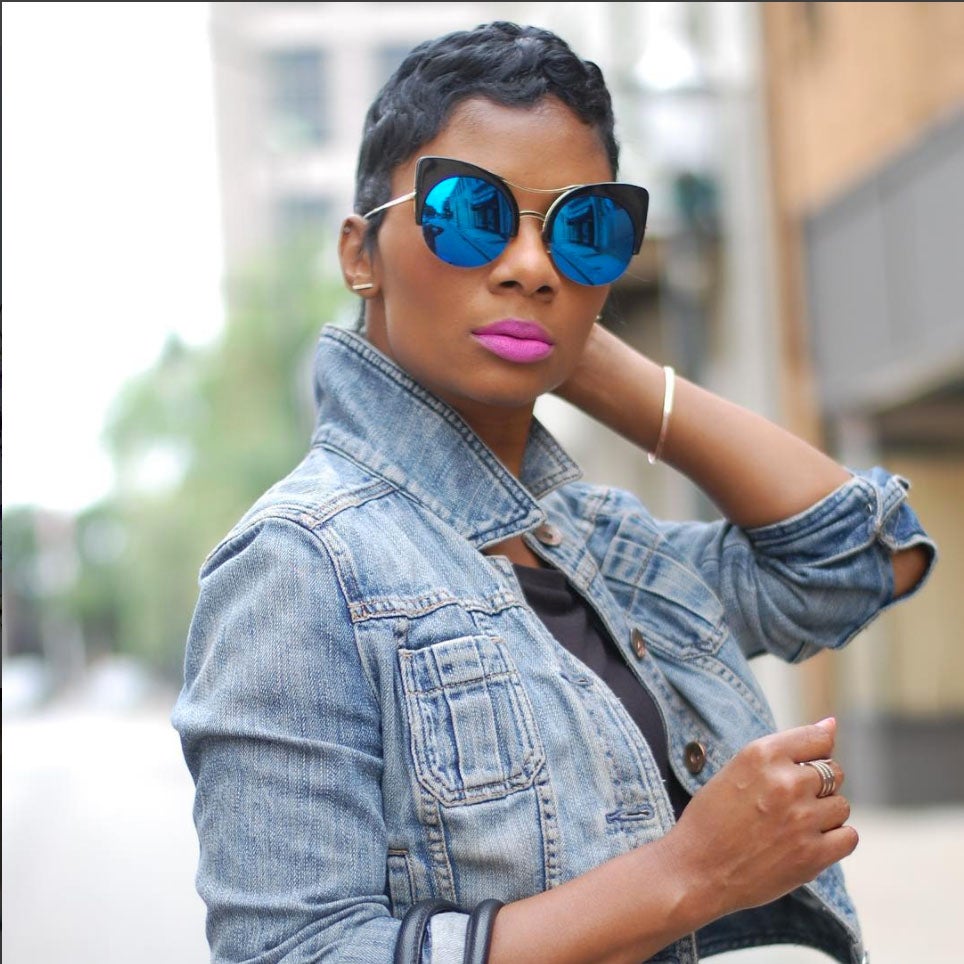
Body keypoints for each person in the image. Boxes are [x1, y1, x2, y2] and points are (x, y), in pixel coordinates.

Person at [172, 20, 935, 964]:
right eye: (470, 214)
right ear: (361, 255)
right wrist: (690, 873)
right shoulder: (297, 565)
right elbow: (294, 951)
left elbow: (863, 559)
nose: (531, 267)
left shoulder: (593, 541)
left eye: (585, 231)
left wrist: (589, 362)